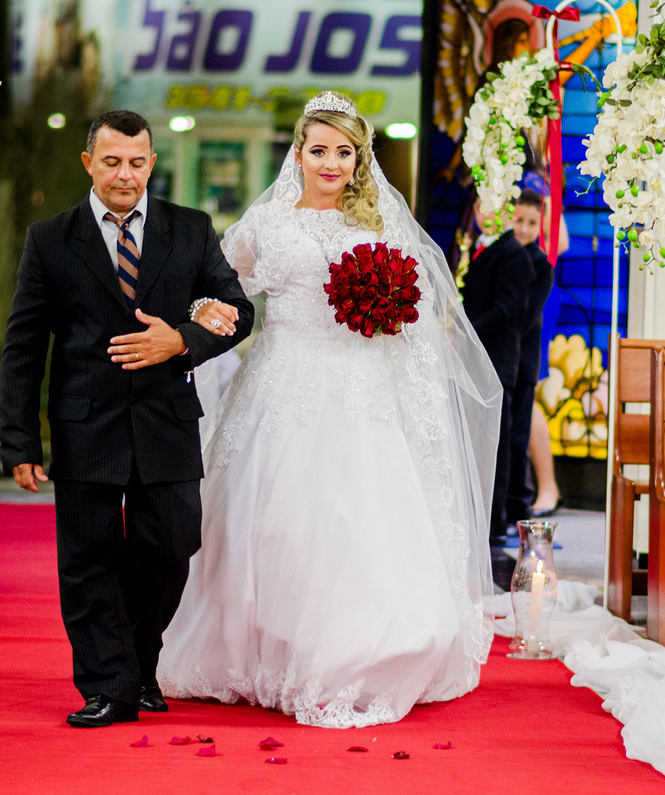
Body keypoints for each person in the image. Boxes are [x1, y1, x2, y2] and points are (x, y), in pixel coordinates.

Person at [155, 92, 503, 728]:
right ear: (298, 154)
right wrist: (190, 328)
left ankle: (362, 649)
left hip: (360, 386)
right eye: (320, 150)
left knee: (359, 514)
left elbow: (420, 311)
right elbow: (219, 293)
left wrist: (389, 312)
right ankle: (268, 646)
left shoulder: (373, 226)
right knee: (276, 518)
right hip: (281, 380)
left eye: (345, 152)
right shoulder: (265, 225)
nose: (332, 162)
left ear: (358, 159)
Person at [0, 110, 254, 728]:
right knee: (86, 559)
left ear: (151, 164)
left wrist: (183, 340)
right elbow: (24, 347)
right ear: (88, 163)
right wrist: (19, 442)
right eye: (112, 162)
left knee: (171, 547)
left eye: (137, 162)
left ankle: (139, 665)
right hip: (87, 422)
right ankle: (108, 686)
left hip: (166, 420)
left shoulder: (190, 230)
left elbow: (239, 313)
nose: (125, 174)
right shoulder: (50, 239)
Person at [460, 196, 534, 544]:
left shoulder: (514, 254)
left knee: (497, 443)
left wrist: (465, 331)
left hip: (496, 360)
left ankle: (492, 524)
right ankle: (472, 516)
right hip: (473, 359)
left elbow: (507, 310)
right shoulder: (474, 247)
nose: (486, 212)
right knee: (474, 440)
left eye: (495, 205)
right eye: (481, 205)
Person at [506, 189, 558, 522]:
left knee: (520, 427)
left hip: (523, 353)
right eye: (518, 221)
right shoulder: (504, 256)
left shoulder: (541, 264)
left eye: (531, 223)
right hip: (507, 352)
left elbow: (525, 318)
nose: (524, 229)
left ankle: (522, 500)